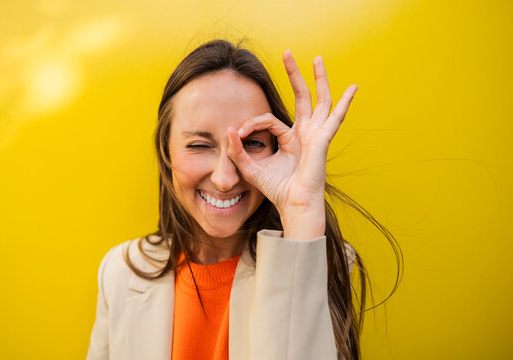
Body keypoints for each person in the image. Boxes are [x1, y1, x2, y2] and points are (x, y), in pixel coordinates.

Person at [86, 39, 402, 360]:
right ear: (166, 152)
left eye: (251, 144)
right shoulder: (121, 271)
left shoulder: (322, 260)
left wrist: (301, 213)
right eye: (198, 145)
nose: (225, 179)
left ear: (278, 149)